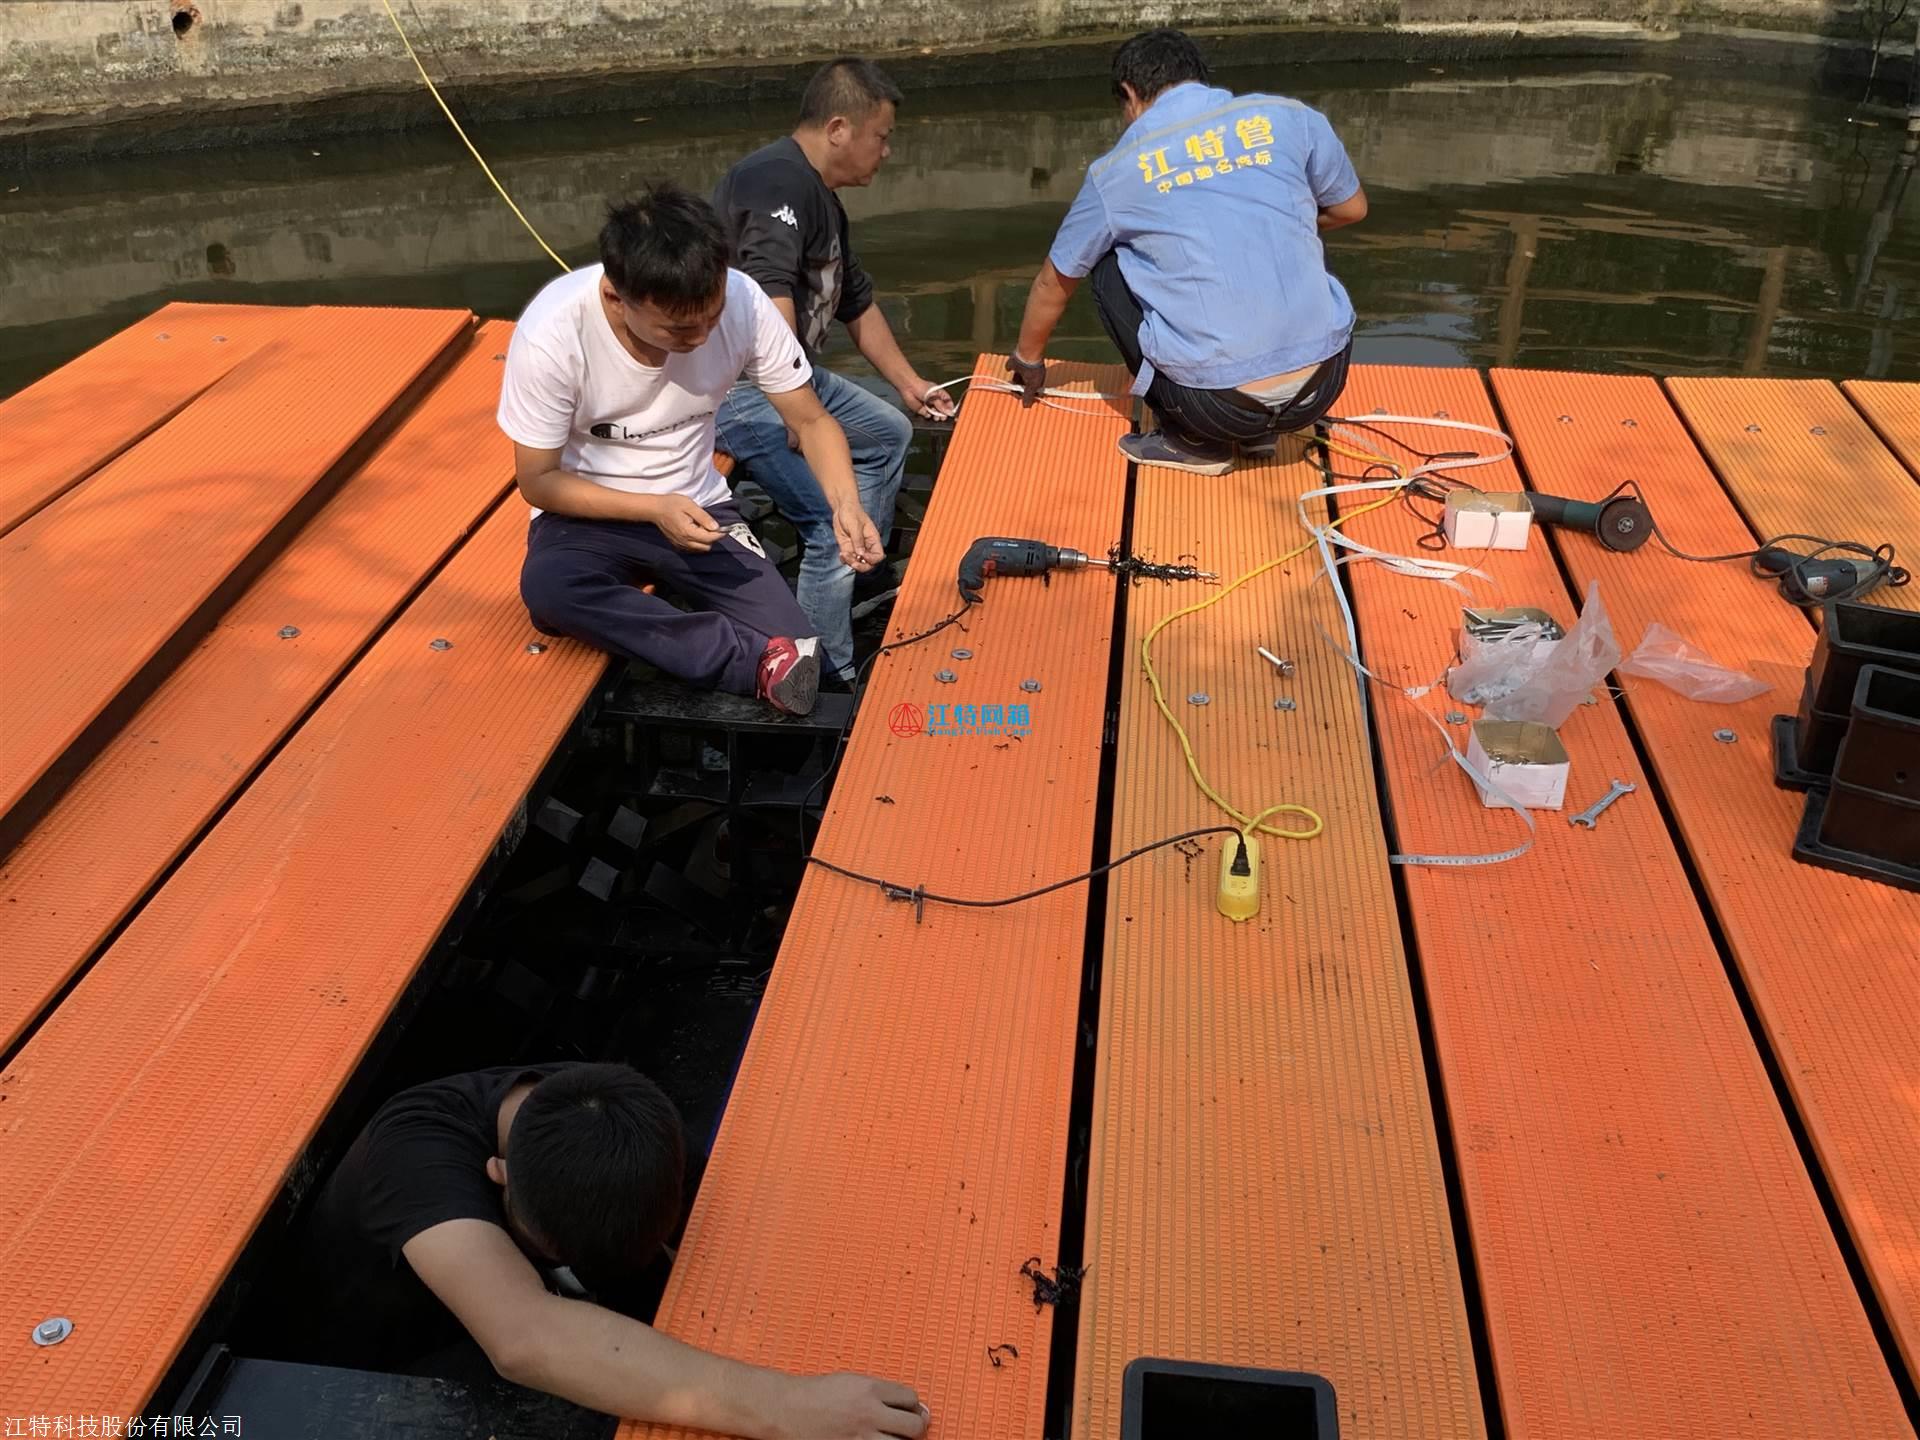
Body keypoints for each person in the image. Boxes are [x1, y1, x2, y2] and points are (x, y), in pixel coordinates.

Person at [289, 1061, 931, 1439]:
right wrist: (791, 1404)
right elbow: (524, 1339)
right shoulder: (415, 1158)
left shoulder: (629, 1119)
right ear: (497, 1173)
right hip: (365, 1361)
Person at [500, 183, 888, 717]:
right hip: (590, 512)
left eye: (713, 315)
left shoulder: (745, 302)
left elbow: (812, 420)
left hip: (702, 508)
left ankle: (760, 663)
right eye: (680, 328)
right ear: (616, 296)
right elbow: (538, 479)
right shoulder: (552, 334)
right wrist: (654, 508)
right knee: (551, 590)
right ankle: (747, 662)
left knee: (806, 658)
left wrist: (844, 505)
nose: (704, 337)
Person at [1006, 28, 1368, 475]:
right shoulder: (1290, 118)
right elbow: (1351, 209)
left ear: (1129, 93)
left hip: (1212, 409)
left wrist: (1028, 359)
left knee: (1105, 261)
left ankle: (1193, 443)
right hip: (1322, 387)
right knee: (1286, 230)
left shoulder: (1118, 170)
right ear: (1199, 76)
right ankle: (1259, 435)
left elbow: (1054, 281)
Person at [712, 58, 955, 687]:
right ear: (840, 128)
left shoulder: (823, 198)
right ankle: (827, 670)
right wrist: (797, 413)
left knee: (887, 430)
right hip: (742, 388)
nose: (887, 151)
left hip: (792, 377)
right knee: (828, 521)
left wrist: (910, 385)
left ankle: (851, 564)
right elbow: (770, 295)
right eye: (882, 136)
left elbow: (857, 304)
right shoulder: (774, 183)